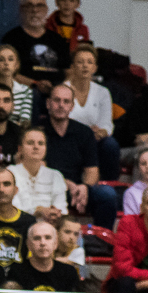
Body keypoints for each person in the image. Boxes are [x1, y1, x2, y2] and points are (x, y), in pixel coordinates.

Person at [39, 82, 117, 227]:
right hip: (47, 188)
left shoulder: (84, 132)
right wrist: (65, 183)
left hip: (76, 190)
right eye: (56, 100)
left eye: (66, 101)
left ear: (72, 106)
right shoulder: (39, 131)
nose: (61, 105)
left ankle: (99, 239)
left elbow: (92, 170)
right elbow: (38, 169)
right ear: (48, 103)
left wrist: (85, 188)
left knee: (107, 194)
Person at [63, 45, 118, 180]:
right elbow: (61, 121)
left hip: (95, 140)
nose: (85, 66)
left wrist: (101, 132)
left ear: (95, 68)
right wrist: (86, 133)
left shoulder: (103, 92)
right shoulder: (63, 90)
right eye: (80, 62)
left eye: (89, 62)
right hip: (70, 138)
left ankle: (109, 184)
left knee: (110, 144)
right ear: (73, 67)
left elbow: (107, 124)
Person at [2, 0, 69, 95]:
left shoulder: (58, 40)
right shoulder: (10, 38)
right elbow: (6, 72)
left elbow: (69, 71)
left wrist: (58, 89)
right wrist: (35, 84)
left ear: (46, 10)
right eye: (29, 6)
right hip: (23, 92)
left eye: (39, 6)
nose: (35, 10)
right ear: (21, 10)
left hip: (56, 94)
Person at [9, 219, 79, 293]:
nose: (42, 243)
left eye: (48, 238)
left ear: (55, 243)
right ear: (28, 244)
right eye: (37, 238)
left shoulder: (69, 272)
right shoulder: (16, 271)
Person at [11, 126, 70, 224]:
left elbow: (62, 209)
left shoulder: (55, 175)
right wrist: (37, 210)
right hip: (18, 225)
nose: (36, 147)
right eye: (30, 143)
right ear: (20, 148)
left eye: (41, 143)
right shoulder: (10, 173)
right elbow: (11, 208)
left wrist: (54, 214)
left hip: (49, 226)